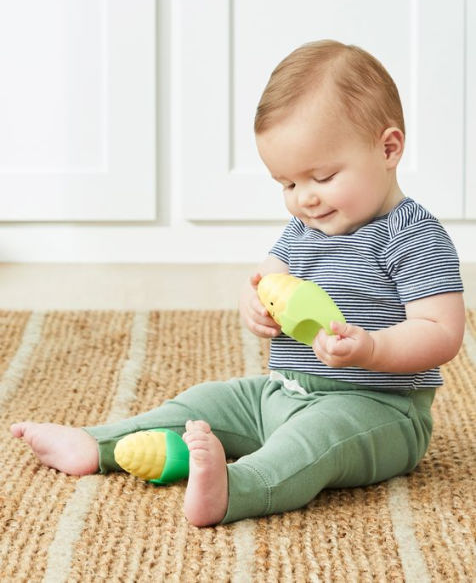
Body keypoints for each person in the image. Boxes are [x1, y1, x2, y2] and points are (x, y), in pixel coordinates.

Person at [10, 40, 465, 527]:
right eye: (287, 185)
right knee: (203, 402)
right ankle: (97, 443)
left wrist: (371, 348)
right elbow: (267, 275)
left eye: (323, 176)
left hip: (377, 410)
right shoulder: (306, 228)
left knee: (311, 442)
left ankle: (238, 488)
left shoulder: (411, 235)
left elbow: (442, 332)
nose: (305, 199)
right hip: (281, 392)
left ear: (389, 148)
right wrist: (255, 301)